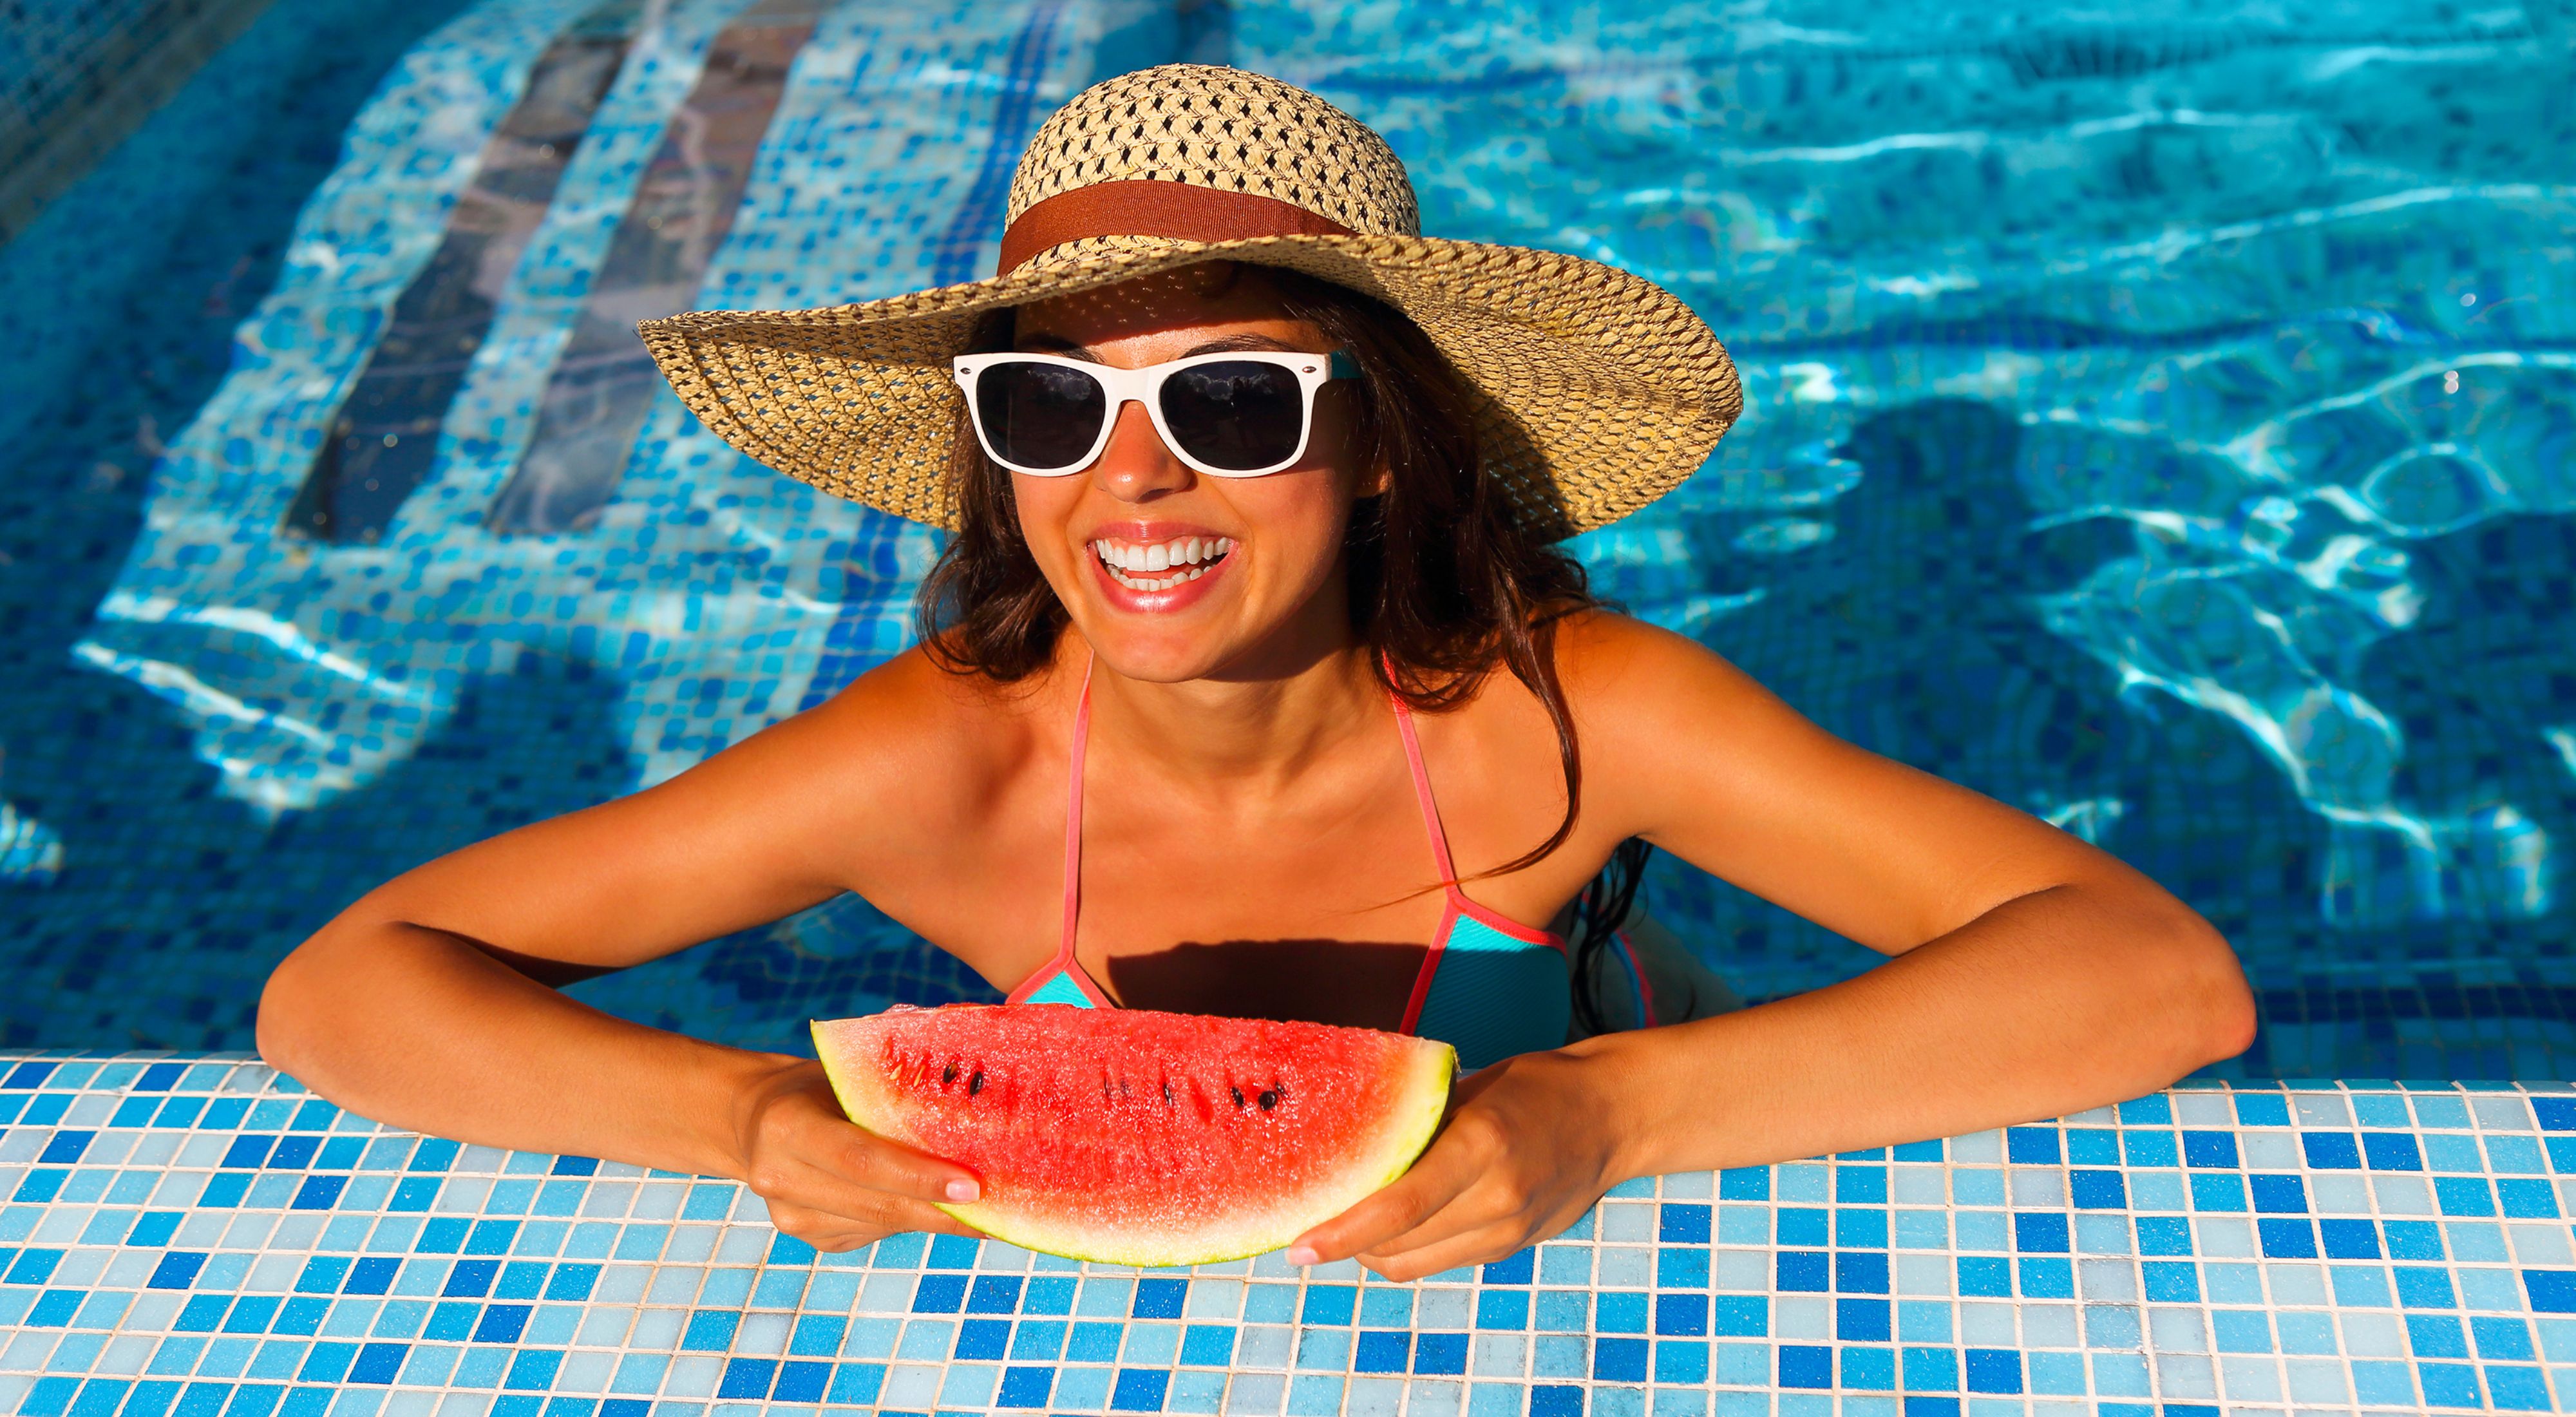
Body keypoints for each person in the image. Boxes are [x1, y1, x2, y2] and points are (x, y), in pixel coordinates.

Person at [258, 64, 2253, 1281]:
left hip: (1622, 1126)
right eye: (1051, 404)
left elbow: (2153, 977)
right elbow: (339, 989)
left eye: (1228, 399)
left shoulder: (1573, 713)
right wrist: (750, 1121)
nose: (1133, 474)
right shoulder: (938, 768)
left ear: (1381, 433)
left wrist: (1610, 1121)